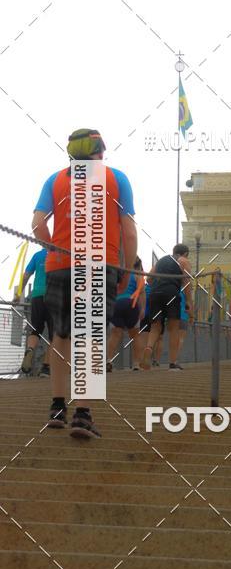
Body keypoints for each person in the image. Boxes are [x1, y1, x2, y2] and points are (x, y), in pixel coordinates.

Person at [32, 128, 137, 438]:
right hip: (99, 265)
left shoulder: (55, 180)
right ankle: (82, 414)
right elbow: (129, 233)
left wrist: (54, 248)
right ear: (100, 151)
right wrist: (127, 271)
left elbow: (38, 224)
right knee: (91, 339)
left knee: (61, 335)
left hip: (59, 265)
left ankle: (56, 407)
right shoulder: (116, 179)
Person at [142, 244, 193, 371]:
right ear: (185, 253)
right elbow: (187, 282)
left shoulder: (161, 260)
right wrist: (189, 302)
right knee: (174, 328)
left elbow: (148, 279)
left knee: (155, 327)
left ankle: (148, 349)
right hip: (171, 293)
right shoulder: (184, 261)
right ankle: (173, 362)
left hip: (155, 293)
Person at [107, 257, 145, 371]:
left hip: (116, 304)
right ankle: (136, 364)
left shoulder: (116, 275)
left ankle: (108, 361)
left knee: (114, 335)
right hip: (131, 303)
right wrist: (142, 309)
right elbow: (142, 294)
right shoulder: (137, 275)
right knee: (135, 336)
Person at [19, 248, 53, 376]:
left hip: (37, 295)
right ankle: (46, 367)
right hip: (54, 296)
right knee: (54, 334)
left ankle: (30, 349)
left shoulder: (37, 255)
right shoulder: (62, 253)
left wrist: (18, 294)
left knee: (36, 329)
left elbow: (26, 275)